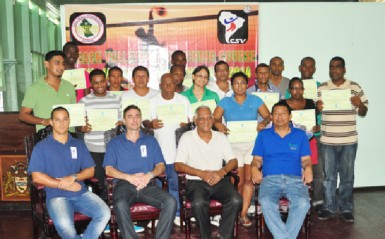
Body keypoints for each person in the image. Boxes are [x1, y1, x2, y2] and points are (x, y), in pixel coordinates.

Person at [28, 106, 110, 239]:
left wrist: (73, 177)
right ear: (52, 122)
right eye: (57, 120)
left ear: (69, 121)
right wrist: (64, 184)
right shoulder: (41, 147)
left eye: (65, 119)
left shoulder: (78, 144)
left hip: (80, 193)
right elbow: (36, 177)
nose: (61, 123)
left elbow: (90, 171)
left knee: (105, 213)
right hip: (56, 196)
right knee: (65, 225)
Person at [103, 105, 177, 239]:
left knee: (171, 201)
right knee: (119, 204)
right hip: (124, 185)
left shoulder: (150, 141)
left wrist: (149, 175)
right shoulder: (115, 143)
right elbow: (108, 169)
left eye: (137, 116)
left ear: (141, 119)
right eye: (130, 116)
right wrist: (129, 177)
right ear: (124, 121)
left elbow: (161, 165)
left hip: (147, 184)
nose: (134, 119)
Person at [213, 72, 270, 227]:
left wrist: (263, 123)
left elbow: (268, 116)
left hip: (252, 145)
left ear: (247, 85)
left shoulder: (255, 99)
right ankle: (235, 211)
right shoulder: (225, 101)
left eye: (242, 83)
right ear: (232, 86)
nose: (239, 86)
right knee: (236, 181)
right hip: (233, 145)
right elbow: (214, 118)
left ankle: (243, 213)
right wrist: (218, 125)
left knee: (248, 179)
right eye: (236, 83)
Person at [175, 106, 242, 239]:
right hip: (196, 182)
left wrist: (221, 172)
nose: (206, 121)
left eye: (208, 118)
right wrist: (201, 173)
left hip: (218, 180)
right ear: (195, 120)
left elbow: (233, 161)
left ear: (212, 119)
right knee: (199, 203)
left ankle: (224, 235)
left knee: (236, 200)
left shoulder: (220, 137)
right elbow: (178, 165)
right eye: (201, 118)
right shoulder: (187, 137)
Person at [251, 101, 313, 239]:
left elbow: (306, 160)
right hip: (270, 179)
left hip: (295, 179)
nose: (279, 117)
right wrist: (254, 169)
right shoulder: (263, 135)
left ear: (290, 116)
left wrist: (308, 168)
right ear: (271, 117)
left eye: (283, 114)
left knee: (303, 203)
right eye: (276, 114)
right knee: (266, 201)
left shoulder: (300, 135)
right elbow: (256, 160)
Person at [317, 56, 368, 223]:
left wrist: (360, 104)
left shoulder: (354, 87)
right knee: (328, 177)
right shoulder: (323, 88)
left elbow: (363, 112)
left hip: (348, 141)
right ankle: (329, 207)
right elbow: (315, 113)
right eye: (331, 67)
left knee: (347, 176)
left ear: (344, 69)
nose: (334, 70)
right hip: (327, 140)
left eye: (338, 67)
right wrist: (317, 108)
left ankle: (346, 207)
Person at [147, 73, 193, 226]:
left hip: (177, 152)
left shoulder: (183, 100)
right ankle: (161, 214)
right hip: (159, 151)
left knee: (175, 185)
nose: (168, 87)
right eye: (164, 84)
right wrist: (150, 124)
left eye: (171, 84)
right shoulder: (153, 101)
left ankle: (178, 213)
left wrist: (185, 125)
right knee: (159, 186)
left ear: (175, 84)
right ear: (160, 86)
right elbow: (145, 122)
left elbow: (191, 124)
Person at [78, 69, 121, 201]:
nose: (100, 85)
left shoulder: (116, 99)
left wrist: (120, 123)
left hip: (113, 149)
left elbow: (123, 120)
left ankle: (113, 212)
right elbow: (78, 125)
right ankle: (100, 210)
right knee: (98, 183)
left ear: (106, 81)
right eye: (96, 83)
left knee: (114, 182)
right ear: (91, 84)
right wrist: (83, 128)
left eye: (102, 81)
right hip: (93, 149)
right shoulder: (84, 102)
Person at [19, 50, 76, 131]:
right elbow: (23, 115)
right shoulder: (35, 88)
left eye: (63, 63)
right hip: (46, 138)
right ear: (46, 64)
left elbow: (74, 113)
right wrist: (43, 121)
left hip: (68, 137)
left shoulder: (69, 86)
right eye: (57, 63)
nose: (61, 67)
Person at [297, 56, 324, 212]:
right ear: (299, 68)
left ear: (314, 69)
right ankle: (302, 198)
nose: (307, 69)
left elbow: (323, 110)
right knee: (299, 168)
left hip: (316, 134)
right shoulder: (291, 88)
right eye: (304, 66)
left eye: (310, 67)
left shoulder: (320, 88)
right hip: (298, 135)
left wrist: (319, 112)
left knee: (318, 169)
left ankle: (318, 201)